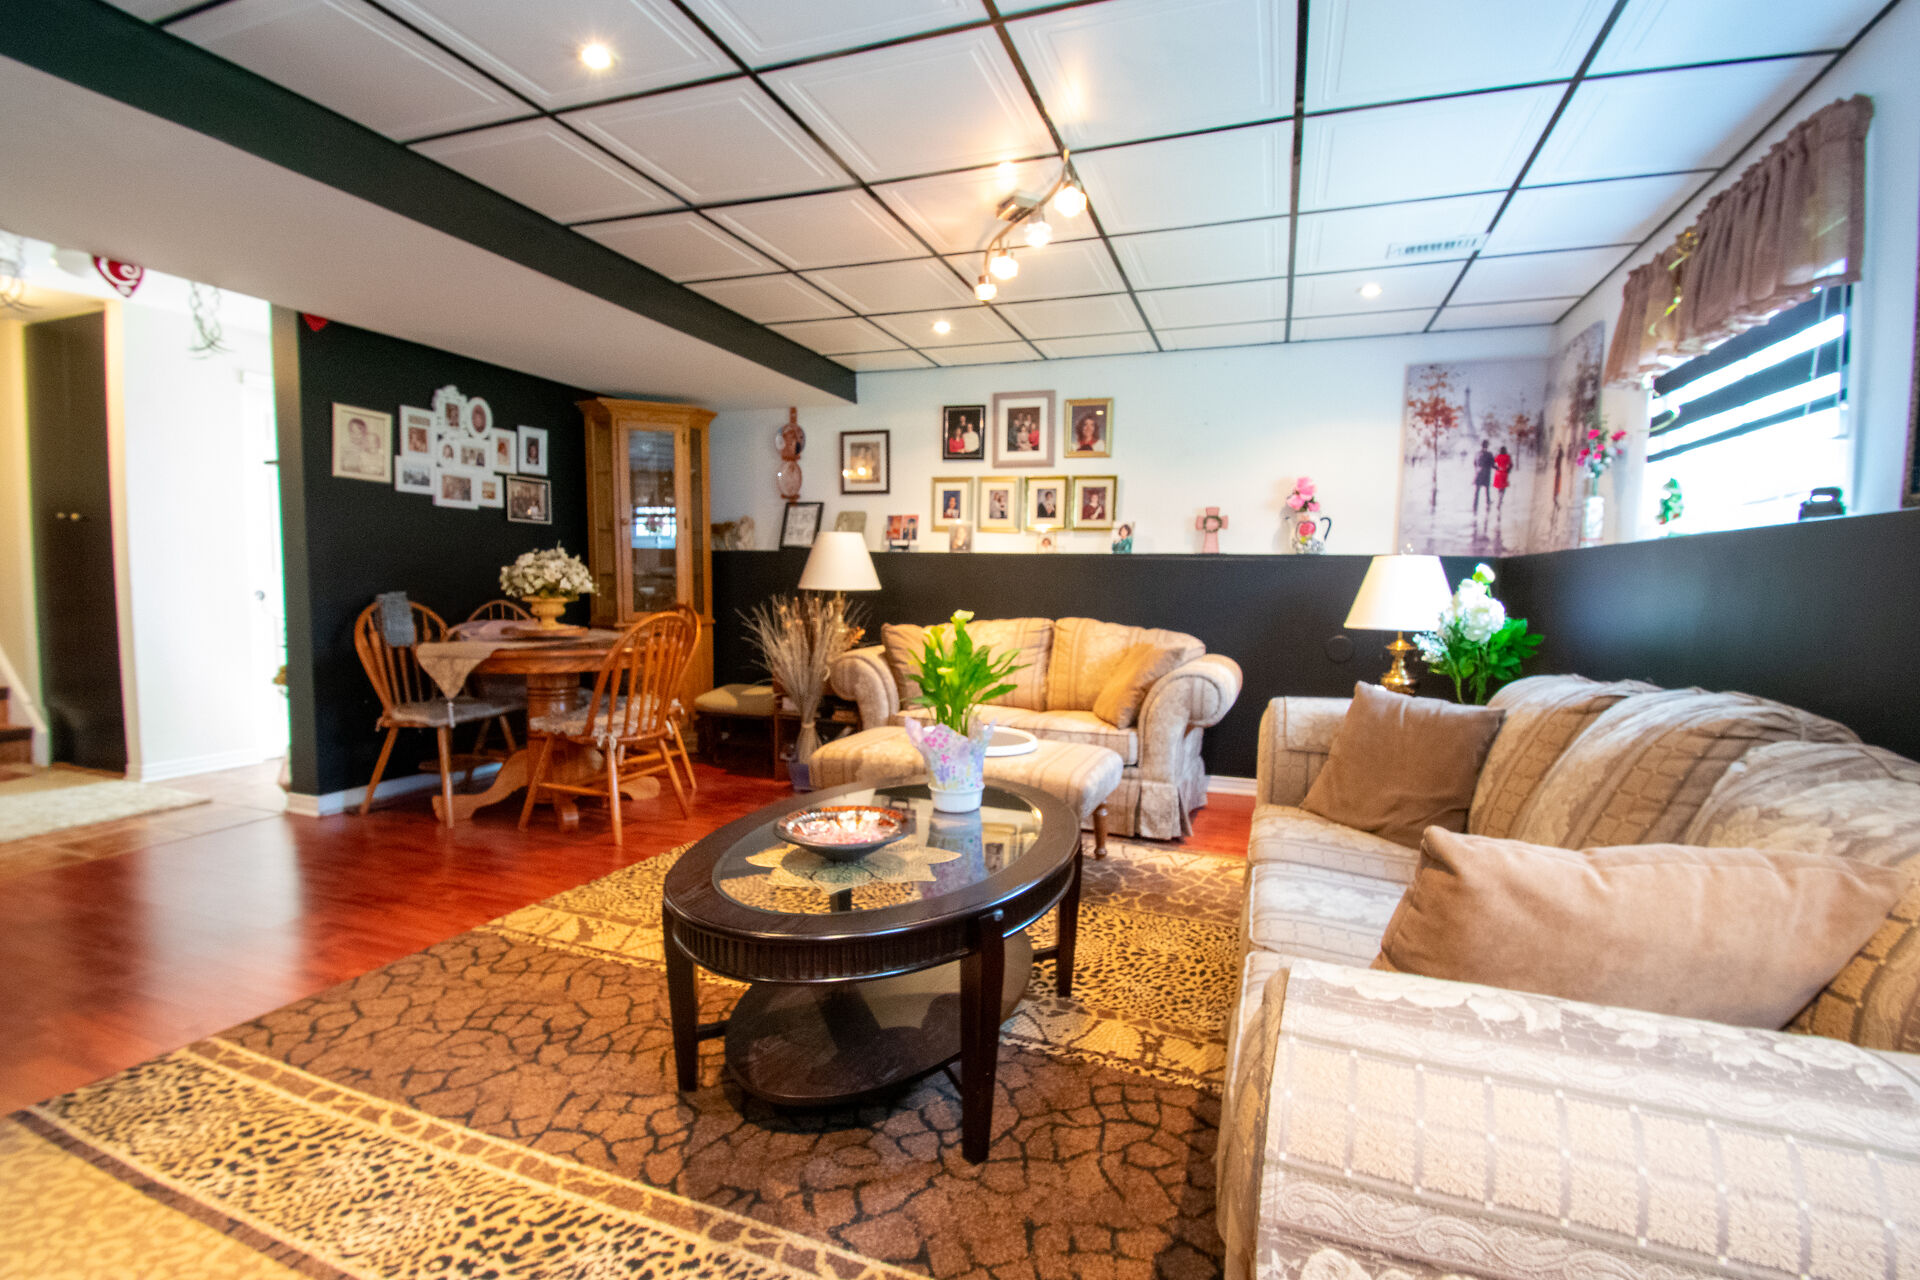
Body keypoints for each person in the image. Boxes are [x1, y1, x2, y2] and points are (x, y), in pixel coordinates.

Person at [1471, 439, 1494, 513]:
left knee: (1477, 492)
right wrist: (1499, 468)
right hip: (1486, 475)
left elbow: (1474, 463)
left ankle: (1475, 506)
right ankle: (1488, 505)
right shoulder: (1489, 454)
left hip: (1478, 474)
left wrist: (1477, 469)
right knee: (1487, 491)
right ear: (1487, 446)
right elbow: (1492, 464)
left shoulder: (1477, 453)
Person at [1492, 445, 1513, 514]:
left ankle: (1499, 497)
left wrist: (1497, 468)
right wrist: (1508, 470)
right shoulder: (1508, 457)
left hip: (1498, 473)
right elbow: (1511, 465)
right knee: (1503, 487)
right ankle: (1501, 498)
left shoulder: (1497, 456)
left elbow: (1492, 464)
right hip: (1504, 473)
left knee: (1499, 487)